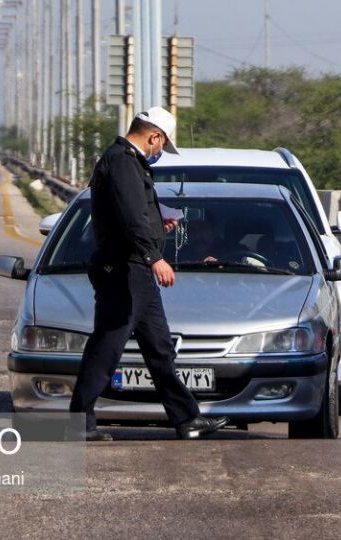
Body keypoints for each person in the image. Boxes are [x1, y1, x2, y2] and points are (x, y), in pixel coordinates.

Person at [69, 107, 230, 442]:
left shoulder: (125, 162)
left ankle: (187, 419)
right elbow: (129, 218)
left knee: (159, 348)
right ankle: (77, 424)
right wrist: (155, 256)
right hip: (125, 269)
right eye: (161, 146)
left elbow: (134, 213)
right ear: (154, 136)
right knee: (107, 346)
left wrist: (160, 224)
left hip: (135, 271)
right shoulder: (123, 162)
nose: (159, 152)